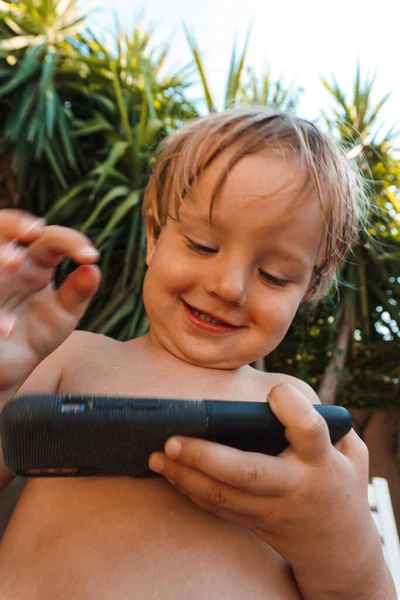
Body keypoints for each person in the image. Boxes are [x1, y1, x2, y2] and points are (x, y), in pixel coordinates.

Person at [0, 107, 395, 599]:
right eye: (203, 245)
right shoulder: (71, 358)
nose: (228, 287)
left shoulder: (293, 409)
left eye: (274, 275)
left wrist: (341, 539)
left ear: (309, 288)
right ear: (153, 237)